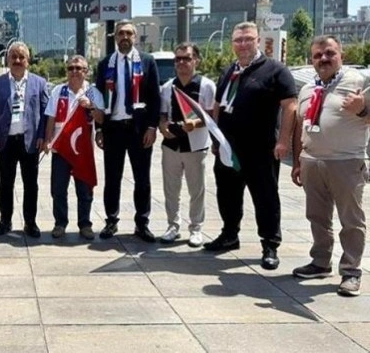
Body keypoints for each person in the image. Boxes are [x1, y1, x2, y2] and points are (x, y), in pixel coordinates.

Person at [205, 21, 297, 271]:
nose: (243, 44)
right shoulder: (229, 70)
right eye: (238, 40)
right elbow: (218, 105)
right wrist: (216, 138)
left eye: (248, 39)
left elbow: (290, 106)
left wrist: (283, 141)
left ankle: (270, 245)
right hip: (229, 149)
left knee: (265, 197)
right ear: (232, 44)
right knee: (227, 194)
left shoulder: (275, 70)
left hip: (261, 149)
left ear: (258, 41)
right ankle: (229, 235)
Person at [291, 35, 369, 296]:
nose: (323, 59)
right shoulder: (307, 89)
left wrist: (362, 110)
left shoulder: (359, 82)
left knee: (351, 219)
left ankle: (351, 271)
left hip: (346, 162)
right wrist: (298, 161)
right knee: (317, 217)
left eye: (329, 53)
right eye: (317, 55)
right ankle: (320, 262)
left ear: (341, 56)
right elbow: (301, 126)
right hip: (312, 161)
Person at [94, 20, 161, 242]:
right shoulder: (105, 64)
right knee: (112, 178)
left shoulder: (147, 61)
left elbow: (154, 97)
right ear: (115, 37)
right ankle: (111, 220)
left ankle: (142, 223)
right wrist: (99, 129)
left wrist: (152, 127)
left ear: (135, 37)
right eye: (121, 33)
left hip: (139, 129)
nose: (125, 37)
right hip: (113, 129)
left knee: (142, 179)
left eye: (129, 33)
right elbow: (99, 99)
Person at [0, 41, 49, 238]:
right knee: (6, 183)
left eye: (22, 57)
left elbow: (46, 112)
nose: (18, 60)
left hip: (30, 142)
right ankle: (5, 221)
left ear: (28, 61)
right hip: (5, 141)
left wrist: (42, 136)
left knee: (31, 184)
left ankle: (30, 222)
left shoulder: (39, 83)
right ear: (7, 60)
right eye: (14, 57)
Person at [158, 43, 216, 247]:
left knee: (196, 190)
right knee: (171, 189)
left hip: (196, 145)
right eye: (178, 59)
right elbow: (163, 114)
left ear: (196, 60)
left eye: (187, 58)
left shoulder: (206, 86)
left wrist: (195, 123)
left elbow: (212, 115)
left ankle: (196, 228)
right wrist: (162, 126)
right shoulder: (168, 87)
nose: (182, 62)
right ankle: (173, 226)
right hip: (171, 145)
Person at [44, 55, 104, 240]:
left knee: (84, 188)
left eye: (79, 68)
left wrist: (91, 106)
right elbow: (51, 118)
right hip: (61, 148)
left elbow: (102, 118)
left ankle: (85, 224)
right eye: (71, 68)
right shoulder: (58, 91)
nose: (75, 72)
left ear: (86, 72)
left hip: (82, 151)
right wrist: (47, 140)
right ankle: (60, 223)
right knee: (58, 189)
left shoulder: (93, 92)